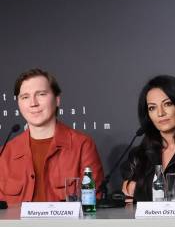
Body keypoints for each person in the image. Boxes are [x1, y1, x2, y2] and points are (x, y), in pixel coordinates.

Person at [0, 68, 104, 205]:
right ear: (19, 103)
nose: (33, 103)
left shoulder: (82, 145)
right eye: (25, 97)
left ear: (57, 100)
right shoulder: (5, 153)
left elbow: (93, 203)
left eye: (41, 94)